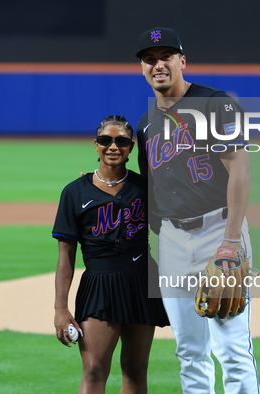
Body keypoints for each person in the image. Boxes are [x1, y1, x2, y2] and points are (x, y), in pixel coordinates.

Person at [135, 27, 260, 393]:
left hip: (219, 231)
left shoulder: (214, 103)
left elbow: (240, 168)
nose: (158, 64)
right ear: (142, 68)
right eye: (150, 59)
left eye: (166, 56)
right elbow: (149, 191)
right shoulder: (145, 124)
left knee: (233, 349)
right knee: (189, 350)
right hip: (173, 239)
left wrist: (231, 241)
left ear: (182, 61)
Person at [52, 115, 169, 394]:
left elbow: (173, 229)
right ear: (96, 145)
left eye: (122, 141)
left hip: (142, 281)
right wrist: (60, 308)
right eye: (106, 140)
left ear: (131, 148)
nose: (113, 146)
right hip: (99, 285)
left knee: (135, 369)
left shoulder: (146, 188)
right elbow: (65, 256)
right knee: (93, 369)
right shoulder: (74, 192)